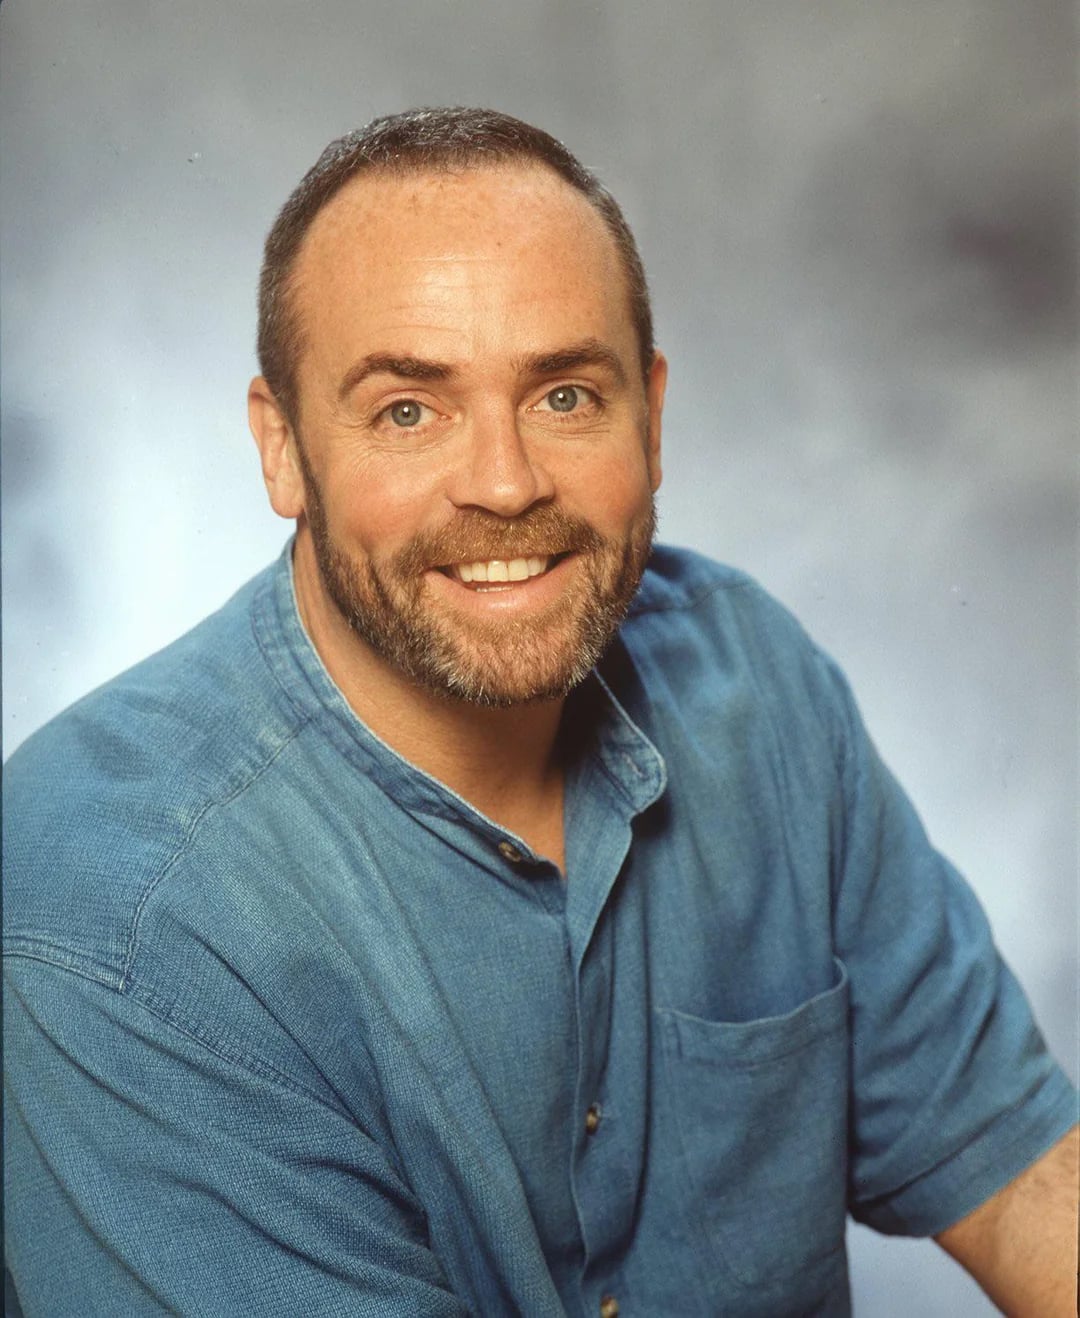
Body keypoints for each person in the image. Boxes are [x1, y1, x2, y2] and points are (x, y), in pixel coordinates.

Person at [3, 107, 1076, 1317]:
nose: (506, 482)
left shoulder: (754, 680)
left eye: (565, 394)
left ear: (652, 417)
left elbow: (1025, 1182)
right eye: (409, 409)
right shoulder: (115, 921)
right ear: (283, 448)